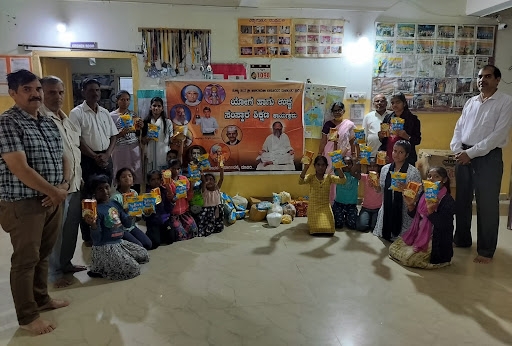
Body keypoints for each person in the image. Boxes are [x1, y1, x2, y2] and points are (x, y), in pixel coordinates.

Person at [0, 70, 69, 335]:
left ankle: (42, 299)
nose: (35, 94)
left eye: (37, 88)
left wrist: (62, 186)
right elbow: (19, 167)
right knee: (25, 260)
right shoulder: (8, 122)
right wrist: (54, 191)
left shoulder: (47, 121)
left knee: (43, 255)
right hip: (23, 203)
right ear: (14, 93)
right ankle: (28, 317)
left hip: (52, 199)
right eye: (27, 89)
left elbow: (62, 155)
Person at [450, 64, 512, 264]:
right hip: (464, 155)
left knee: (487, 205)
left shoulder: (505, 102)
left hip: (488, 158)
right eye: (479, 76)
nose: (481, 80)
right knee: (462, 201)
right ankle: (461, 239)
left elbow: (497, 136)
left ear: (497, 80)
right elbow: (459, 128)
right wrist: (458, 149)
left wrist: (471, 153)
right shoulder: (471, 102)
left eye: (487, 76)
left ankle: (486, 250)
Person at [40, 76, 86, 289]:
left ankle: (66, 263)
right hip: (58, 187)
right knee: (55, 233)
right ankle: (53, 273)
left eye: (60, 92)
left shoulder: (65, 118)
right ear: (41, 93)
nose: (57, 97)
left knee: (70, 228)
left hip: (75, 183)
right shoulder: (40, 118)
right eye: (51, 92)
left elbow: (73, 151)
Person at [69, 78, 119, 246]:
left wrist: (107, 155)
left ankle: (106, 228)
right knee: (88, 199)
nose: (95, 93)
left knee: (105, 195)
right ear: (83, 92)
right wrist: (95, 156)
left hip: (106, 158)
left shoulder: (105, 112)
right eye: (91, 90)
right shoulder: (76, 113)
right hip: (88, 160)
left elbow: (114, 136)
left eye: (97, 90)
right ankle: (89, 236)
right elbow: (77, 139)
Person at [83, 174, 149, 280]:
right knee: (134, 269)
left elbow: (127, 224)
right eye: (100, 189)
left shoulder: (114, 203)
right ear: (94, 192)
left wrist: (131, 213)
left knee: (144, 254)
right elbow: (96, 239)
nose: (105, 191)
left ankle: (117, 261)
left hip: (119, 242)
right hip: (105, 247)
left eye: (106, 187)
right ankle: (101, 267)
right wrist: (93, 225)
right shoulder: (95, 210)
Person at [389, 167, 455, 269]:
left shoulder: (447, 200)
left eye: (436, 177)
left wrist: (431, 212)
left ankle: (440, 261)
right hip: (418, 234)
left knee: (408, 259)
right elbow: (414, 215)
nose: (431, 179)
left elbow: (444, 225)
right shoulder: (423, 195)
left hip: (435, 240)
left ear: (444, 180)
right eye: (429, 176)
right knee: (392, 249)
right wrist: (410, 205)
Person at [373, 140, 422, 241]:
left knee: (402, 239)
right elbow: (381, 189)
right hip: (387, 207)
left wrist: (406, 189)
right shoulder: (385, 169)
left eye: (401, 152)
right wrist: (375, 186)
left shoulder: (413, 173)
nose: (396, 154)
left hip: (404, 209)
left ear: (407, 154)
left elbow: (418, 195)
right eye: (395, 151)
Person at [318, 102, 356, 203]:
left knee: (341, 177)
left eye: (339, 110)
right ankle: (329, 202)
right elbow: (323, 140)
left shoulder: (349, 125)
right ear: (332, 112)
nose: (337, 112)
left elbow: (352, 141)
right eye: (335, 110)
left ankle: (340, 202)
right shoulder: (328, 124)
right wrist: (319, 154)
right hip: (330, 155)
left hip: (344, 155)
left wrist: (354, 154)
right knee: (329, 177)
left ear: (343, 111)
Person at [299, 155, 346, 235]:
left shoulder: (329, 177)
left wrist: (338, 167)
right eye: (318, 165)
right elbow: (301, 181)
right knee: (315, 230)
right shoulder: (311, 177)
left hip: (325, 207)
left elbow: (342, 181)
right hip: (313, 207)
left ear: (326, 166)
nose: (320, 167)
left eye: (323, 165)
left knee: (329, 230)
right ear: (315, 166)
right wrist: (306, 167)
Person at [110, 168, 152, 250]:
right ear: (118, 181)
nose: (127, 178)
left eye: (130, 176)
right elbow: (114, 221)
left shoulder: (134, 193)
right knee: (139, 247)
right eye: (123, 177)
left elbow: (138, 215)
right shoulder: (115, 198)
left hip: (132, 227)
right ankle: (120, 245)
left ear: (133, 180)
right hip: (121, 229)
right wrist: (125, 213)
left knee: (148, 244)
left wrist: (146, 211)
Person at [110, 90, 143, 193]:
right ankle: (120, 197)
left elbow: (137, 132)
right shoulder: (111, 116)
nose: (125, 102)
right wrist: (120, 134)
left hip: (134, 147)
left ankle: (134, 196)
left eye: (128, 100)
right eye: (122, 100)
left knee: (135, 172)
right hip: (119, 149)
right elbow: (109, 135)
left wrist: (140, 126)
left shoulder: (133, 114)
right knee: (121, 172)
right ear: (117, 101)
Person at [378, 93, 421, 165]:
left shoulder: (413, 119)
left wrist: (407, 136)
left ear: (404, 104)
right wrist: (380, 136)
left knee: (403, 176)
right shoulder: (388, 118)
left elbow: (417, 140)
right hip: (388, 155)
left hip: (406, 158)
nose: (395, 105)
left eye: (398, 102)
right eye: (392, 103)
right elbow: (384, 140)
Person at [166, 159, 199, 240]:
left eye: (178, 168)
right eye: (174, 168)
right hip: (173, 214)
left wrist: (192, 185)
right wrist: (175, 196)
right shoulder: (167, 182)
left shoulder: (184, 179)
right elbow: (169, 199)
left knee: (194, 230)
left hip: (184, 213)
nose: (176, 171)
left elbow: (189, 198)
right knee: (180, 234)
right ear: (169, 169)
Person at [143, 170, 176, 249]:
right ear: (149, 182)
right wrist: (148, 211)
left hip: (165, 220)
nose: (156, 182)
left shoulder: (164, 191)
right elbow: (144, 217)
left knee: (172, 239)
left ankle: (161, 233)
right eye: (153, 180)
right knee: (155, 243)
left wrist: (170, 200)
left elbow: (169, 209)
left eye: (158, 179)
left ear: (161, 180)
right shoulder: (147, 195)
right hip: (153, 222)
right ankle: (152, 233)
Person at [141, 97, 173, 171]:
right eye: (154, 106)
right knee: (150, 177)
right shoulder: (145, 122)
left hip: (163, 153)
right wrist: (148, 137)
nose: (156, 108)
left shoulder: (168, 122)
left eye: (159, 106)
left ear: (162, 108)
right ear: (150, 107)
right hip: (150, 154)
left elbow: (171, 139)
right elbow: (142, 141)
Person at [356, 158, 383, 232]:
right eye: (370, 166)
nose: (372, 168)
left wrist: (376, 185)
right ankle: (366, 219)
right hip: (366, 208)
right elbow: (355, 174)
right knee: (361, 226)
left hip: (378, 208)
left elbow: (379, 190)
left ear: (378, 167)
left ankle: (372, 221)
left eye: (374, 166)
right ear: (367, 168)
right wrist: (359, 162)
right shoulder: (365, 177)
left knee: (374, 227)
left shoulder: (381, 178)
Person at [332, 156, 359, 230]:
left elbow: (357, 164)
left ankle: (348, 217)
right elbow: (336, 163)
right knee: (338, 225)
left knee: (352, 225)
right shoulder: (338, 173)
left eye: (349, 163)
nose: (347, 165)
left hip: (351, 205)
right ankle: (341, 217)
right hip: (339, 204)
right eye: (345, 163)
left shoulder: (355, 175)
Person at [197, 165, 224, 236]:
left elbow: (221, 179)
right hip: (207, 211)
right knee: (207, 224)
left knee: (217, 221)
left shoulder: (217, 188)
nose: (209, 181)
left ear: (215, 181)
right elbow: (203, 181)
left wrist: (221, 169)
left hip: (217, 209)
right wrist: (201, 172)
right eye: (207, 180)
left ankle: (216, 228)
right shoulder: (204, 191)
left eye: (211, 179)